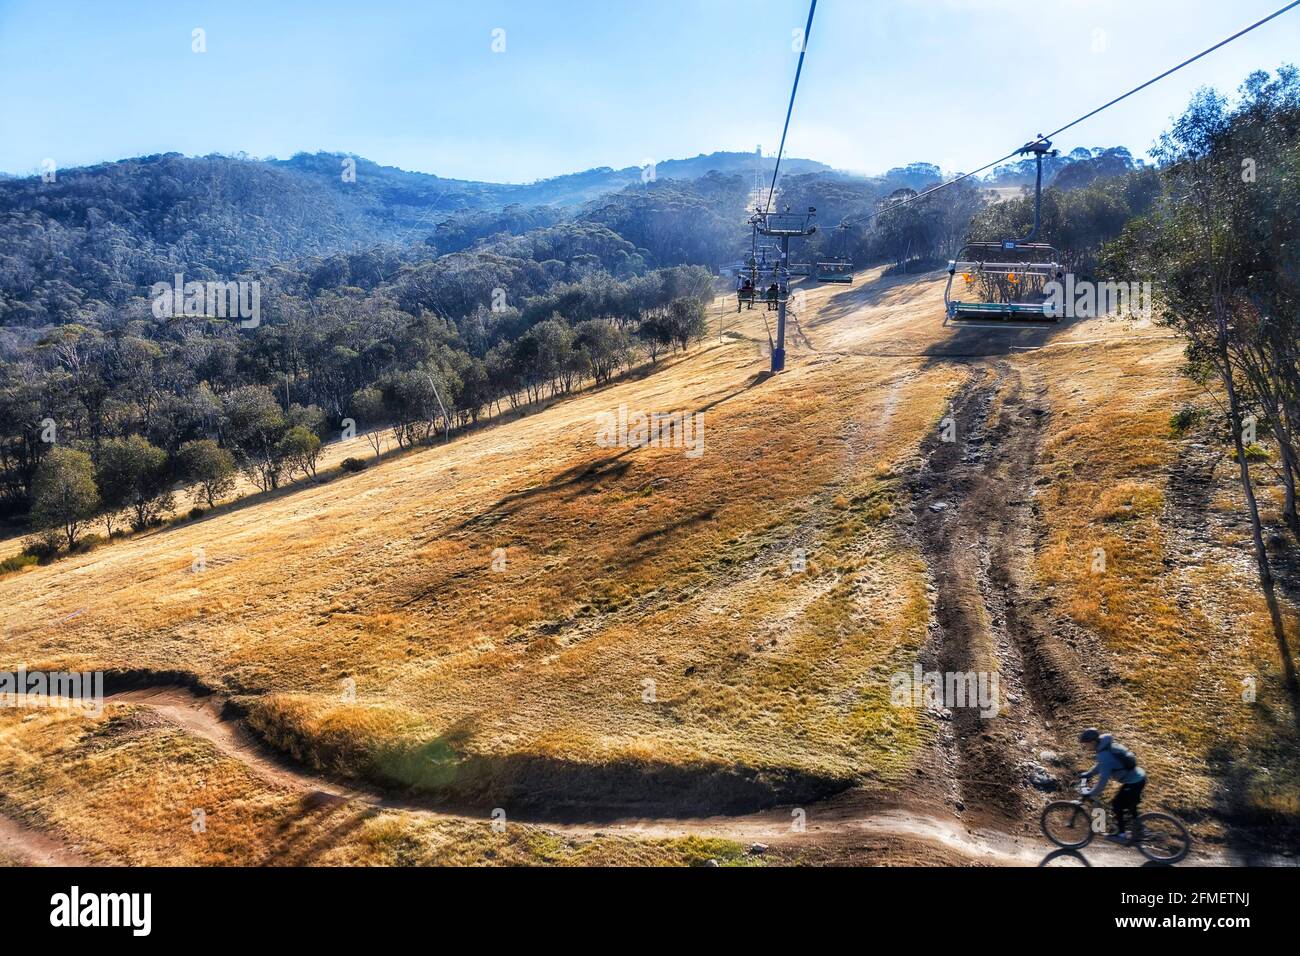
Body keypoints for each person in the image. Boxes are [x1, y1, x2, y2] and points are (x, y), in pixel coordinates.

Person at [1078, 728, 1146, 844]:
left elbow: (1103, 781)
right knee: (1130, 806)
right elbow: (1101, 766)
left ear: (1093, 742)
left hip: (1133, 782)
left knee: (1117, 804)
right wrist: (1089, 774)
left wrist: (1091, 793)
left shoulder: (1104, 755)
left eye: (1086, 744)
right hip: (1139, 777)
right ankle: (1139, 831)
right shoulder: (1105, 747)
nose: (1086, 747)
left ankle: (1122, 835)